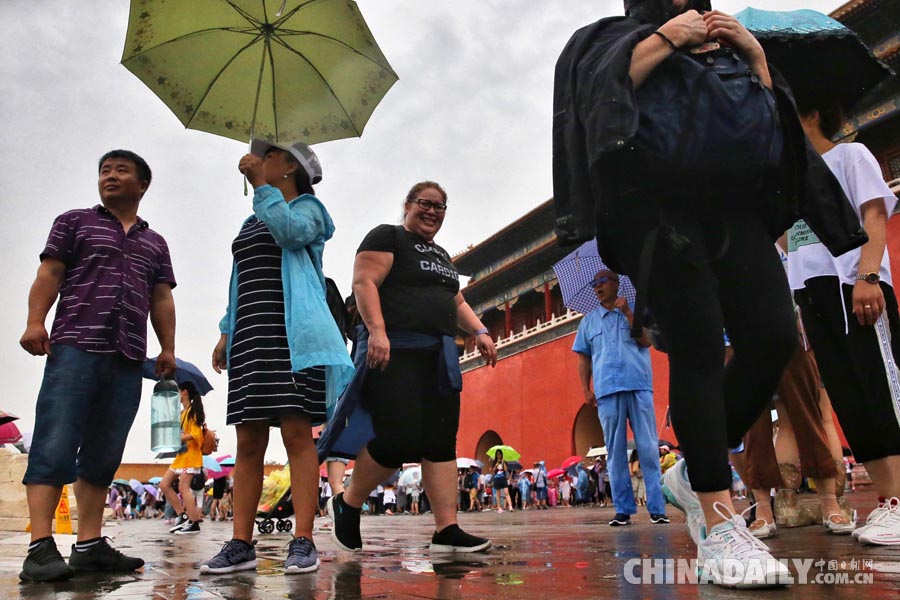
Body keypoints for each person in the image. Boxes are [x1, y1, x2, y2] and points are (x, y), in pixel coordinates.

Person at [553, 0, 866, 586]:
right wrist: (667, 38)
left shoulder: (728, 42)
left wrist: (755, 58)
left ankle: (693, 465)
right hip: (659, 211)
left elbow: (776, 128)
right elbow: (601, 105)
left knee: (773, 337)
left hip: (738, 209)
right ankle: (721, 526)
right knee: (697, 346)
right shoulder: (612, 37)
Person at [18, 149, 176, 583]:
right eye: (104, 170)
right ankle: (40, 547)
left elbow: (161, 297)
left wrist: (167, 348)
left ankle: (88, 546)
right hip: (74, 346)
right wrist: (35, 321)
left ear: (142, 184)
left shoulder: (154, 242)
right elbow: (50, 273)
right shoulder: (75, 221)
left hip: (127, 355)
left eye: (121, 170)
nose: (110, 176)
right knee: (55, 440)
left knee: (105, 451)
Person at [201, 140, 353, 575]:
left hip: (293, 336)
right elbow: (239, 277)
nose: (259, 160)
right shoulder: (252, 220)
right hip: (251, 336)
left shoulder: (309, 210)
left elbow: (289, 232)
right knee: (248, 442)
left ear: (289, 166)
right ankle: (240, 543)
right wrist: (226, 330)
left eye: (269, 155)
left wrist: (259, 186)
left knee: (296, 436)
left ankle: (302, 539)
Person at [327, 181, 497, 553]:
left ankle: (446, 530)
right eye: (425, 203)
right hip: (394, 350)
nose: (432, 211)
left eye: (440, 206)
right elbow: (364, 281)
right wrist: (378, 331)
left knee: (440, 441)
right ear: (407, 205)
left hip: (437, 356)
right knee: (397, 437)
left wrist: (480, 330)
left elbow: (455, 299)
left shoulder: (441, 256)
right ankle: (348, 501)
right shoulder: (388, 237)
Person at [789, 94, 900, 545]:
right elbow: (787, 242)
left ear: (813, 112)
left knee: (879, 387)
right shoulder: (792, 181)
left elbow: (874, 214)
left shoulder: (849, 155)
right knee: (849, 397)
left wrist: (868, 275)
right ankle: (889, 501)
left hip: (855, 283)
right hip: (812, 294)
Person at [573, 270, 668, 526]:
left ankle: (657, 508)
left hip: (638, 385)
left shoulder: (636, 310)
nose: (597, 287)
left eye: (603, 281)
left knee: (648, 448)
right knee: (614, 453)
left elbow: (647, 341)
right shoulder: (589, 322)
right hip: (607, 390)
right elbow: (584, 358)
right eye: (594, 283)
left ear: (617, 284)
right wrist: (585, 388)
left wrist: (628, 313)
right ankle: (623, 509)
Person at [160, 381, 206, 534]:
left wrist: (179, 437)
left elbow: (196, 435)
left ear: (184, 392)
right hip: (182, 455)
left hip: (190, 455)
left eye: (178, 391)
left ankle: (193, 522)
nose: (177, 395)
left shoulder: (193, 411)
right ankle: (182, 515)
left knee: (183, 487)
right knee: (164, 484)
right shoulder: (182, 413)